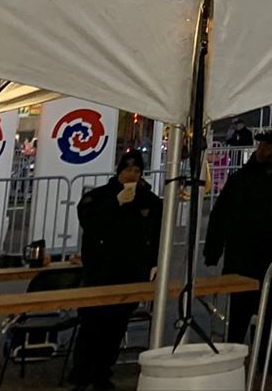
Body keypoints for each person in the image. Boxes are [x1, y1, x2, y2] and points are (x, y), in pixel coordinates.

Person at [202, 129, 272, 343]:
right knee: (239, 310)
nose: (262, 150)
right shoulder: (241, 179)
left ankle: (264, 356)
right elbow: (221, 214)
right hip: (242, 256)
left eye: (267, 147)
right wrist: (213, 250)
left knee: (268, 310)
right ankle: (235, 352)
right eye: (260, 146)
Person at [67, 150, 162, 391]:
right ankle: (81, 372)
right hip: (100, 271)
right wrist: (116, 203)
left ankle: (102, 372)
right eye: (128, 170)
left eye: (137, 171)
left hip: (131, 272)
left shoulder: (148, 200)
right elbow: (90, 222)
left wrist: (154, 263)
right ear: (119, 171)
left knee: (117, 325)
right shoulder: (98, 197)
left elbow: (157, 232)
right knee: (91, 322)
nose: (132, 175)